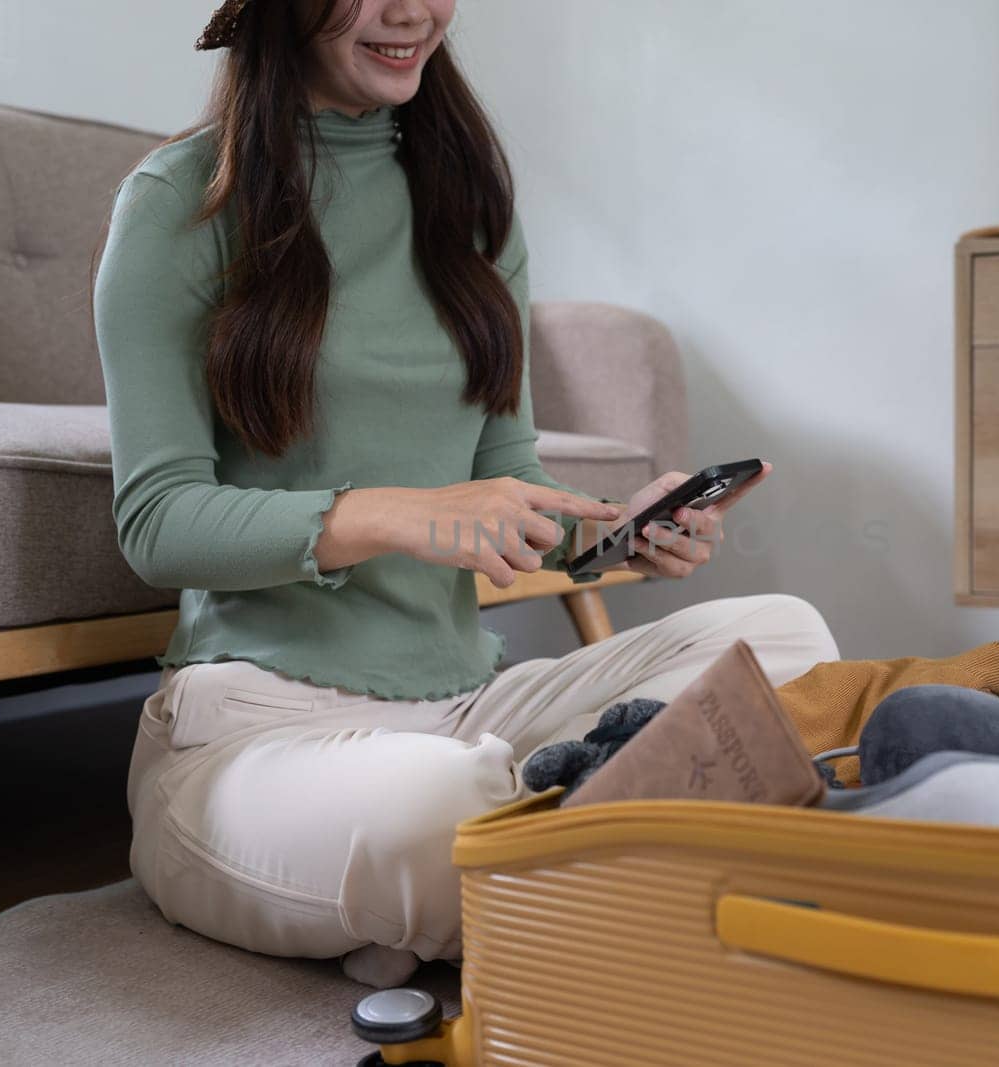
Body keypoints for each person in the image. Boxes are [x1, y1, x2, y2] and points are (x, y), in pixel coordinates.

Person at [91, 0, 839, 989]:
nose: (413, 12)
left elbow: (508, 471)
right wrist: (403, 510)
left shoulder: (472, 205)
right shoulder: (179, 200)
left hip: (467, 708)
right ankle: (618, 874)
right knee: (438, 797)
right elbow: (157, 520)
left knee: (783, 639)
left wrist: (607, 531)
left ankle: (486, 896)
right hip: (258, 727)